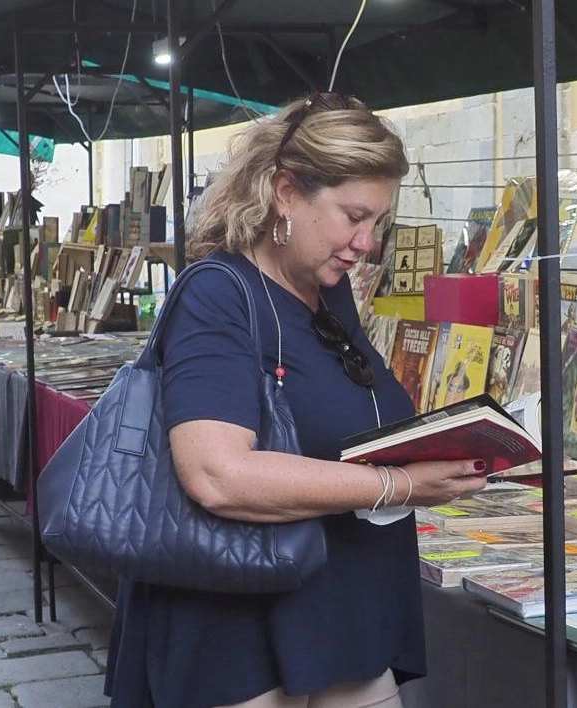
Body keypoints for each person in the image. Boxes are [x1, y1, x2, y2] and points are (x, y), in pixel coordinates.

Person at [104, 94, 489, 708]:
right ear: (285, 191)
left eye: (378, 223)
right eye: (353, 217)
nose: (366, 243)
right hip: (238, 618)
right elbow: (217, 475)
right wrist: (401, 486)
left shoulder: (326, 293)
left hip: (345, 600)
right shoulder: (218, 295)